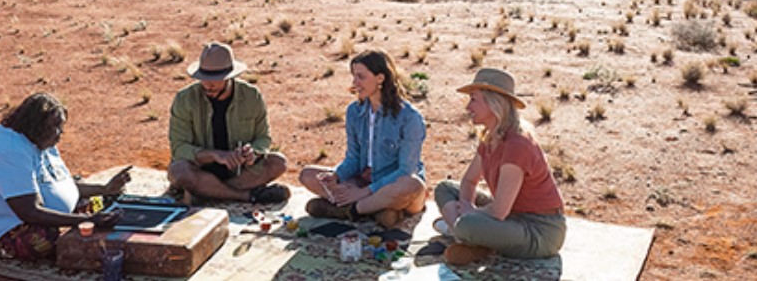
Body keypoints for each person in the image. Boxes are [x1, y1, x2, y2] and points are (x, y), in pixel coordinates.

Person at [0, 93, 131, 261]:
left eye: (61, 126)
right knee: (44, 241)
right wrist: (87, 220)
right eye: (55, 127)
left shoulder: (41, 141)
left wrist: (104, 189)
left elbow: (59, 183)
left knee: (92, 204)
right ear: (36, 125)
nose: (60, 133)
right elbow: (30, 211)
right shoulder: (9, 150)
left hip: (26, 213)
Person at [433, 68, 566, 265]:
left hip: (540, 231)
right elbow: (469, 181)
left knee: (467, 224)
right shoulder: (490, 137)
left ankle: (467, 235)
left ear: (493, 102)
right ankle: (468, 238)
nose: (468, 107)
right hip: (511, 217)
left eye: (473, 100)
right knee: (445, 188)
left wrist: (468, 215)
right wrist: (466, 204)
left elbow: (498, 212)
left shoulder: (517, 144)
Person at [299, 50, 428, 228]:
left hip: (391, 186)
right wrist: (337, 175)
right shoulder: (354, 111)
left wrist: (364, 192)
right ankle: (375, 210)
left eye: (361, 77)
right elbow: (353, 157)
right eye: (353, 76)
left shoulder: (410, 118)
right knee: (308, 175)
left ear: (380, 78)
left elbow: (406, 170)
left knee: (412, 185)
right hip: (363, 181)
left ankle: (348, 210)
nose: (355, 83)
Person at [168, 42, 291, 204]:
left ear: (229, 77)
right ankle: (248, 196)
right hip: (199, 170)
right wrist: (215, 155)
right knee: (179, 171)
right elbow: (179, 149)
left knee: (278, 162)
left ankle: (208, 192)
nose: (207, 84)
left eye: (214, 80)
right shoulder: (184, 99)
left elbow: (264, 138)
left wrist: (253, 152)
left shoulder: (251, 96)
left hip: (239, 172)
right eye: (203, 78)